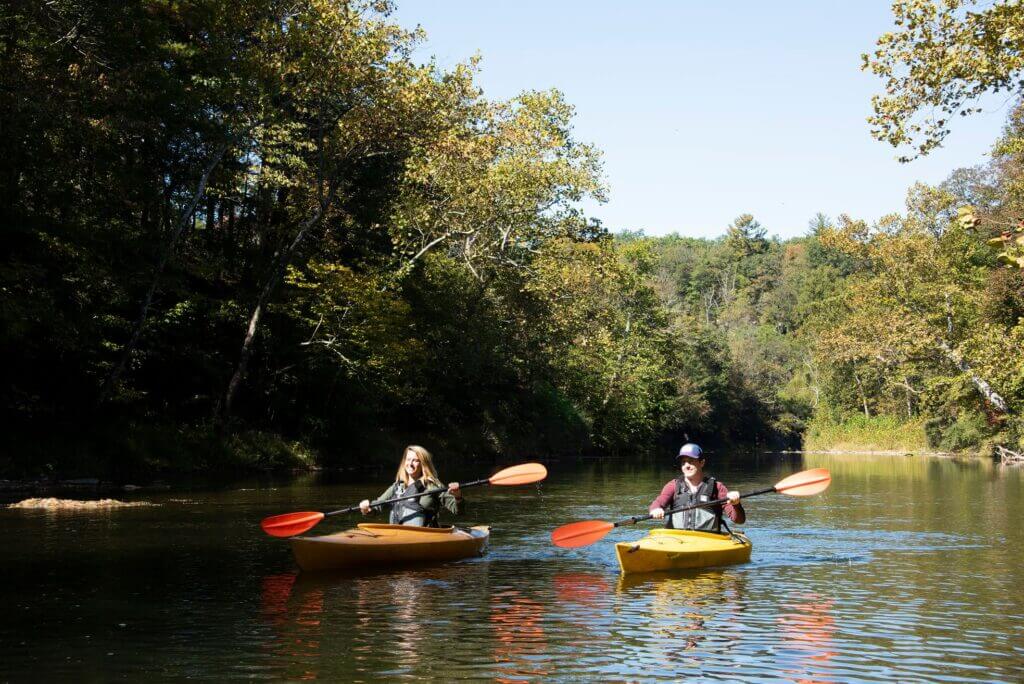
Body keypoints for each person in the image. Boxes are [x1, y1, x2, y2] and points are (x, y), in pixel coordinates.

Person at [648, 443, 745, 533]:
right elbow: (658, 502)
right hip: (678, 539)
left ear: (702, 463)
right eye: (683, 462)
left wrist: (736, 504)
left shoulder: (717, 487)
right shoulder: (673, 485)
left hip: (708, 540)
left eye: (691, 461)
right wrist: (656, 509)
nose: (687, 466)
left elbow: (739, 520)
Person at [359, 445, 463, 527]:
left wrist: (458, 496)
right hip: (398, 536)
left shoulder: (433, 486)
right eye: (408, 459)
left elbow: (459, 511)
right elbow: (377, 508)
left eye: (415, 460)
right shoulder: (396, 487)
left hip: (426, 536)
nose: (410, 464)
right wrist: (367, 509)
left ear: (423, 464)